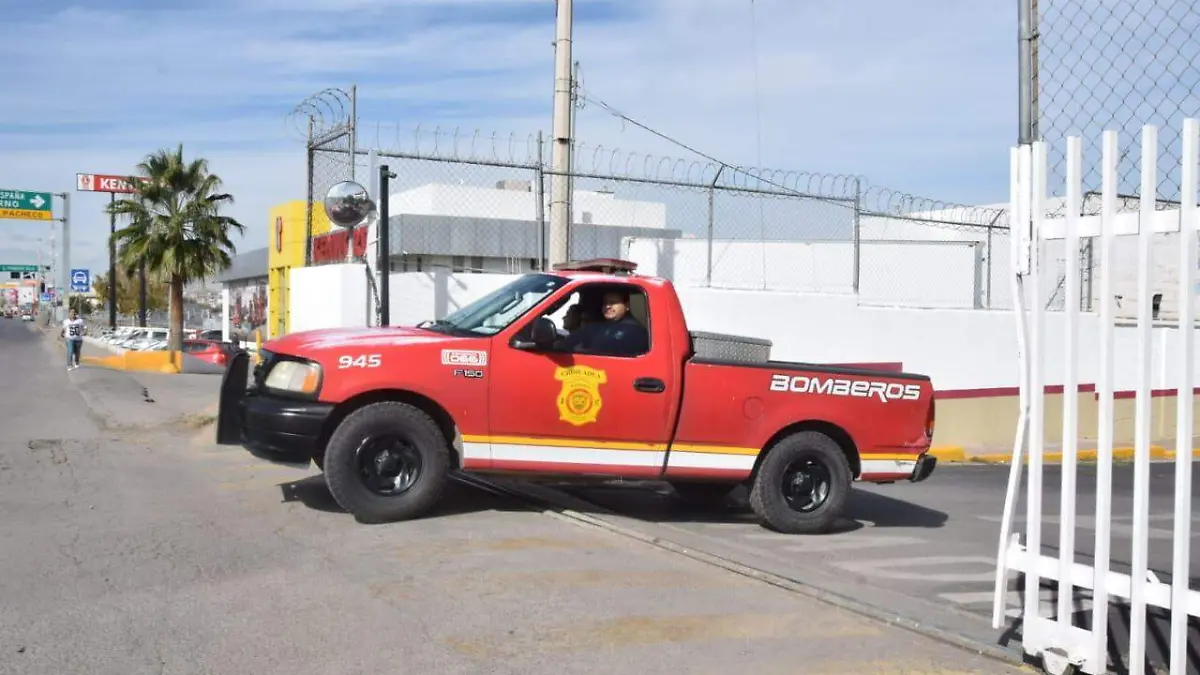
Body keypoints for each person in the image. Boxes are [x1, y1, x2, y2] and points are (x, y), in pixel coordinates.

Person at [561, 289, 649, 356]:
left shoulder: (633, 331)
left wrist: (582, 351)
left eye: (613, 302)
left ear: (627, 306)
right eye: (605, 303)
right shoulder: (600, 327)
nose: (607, 306)